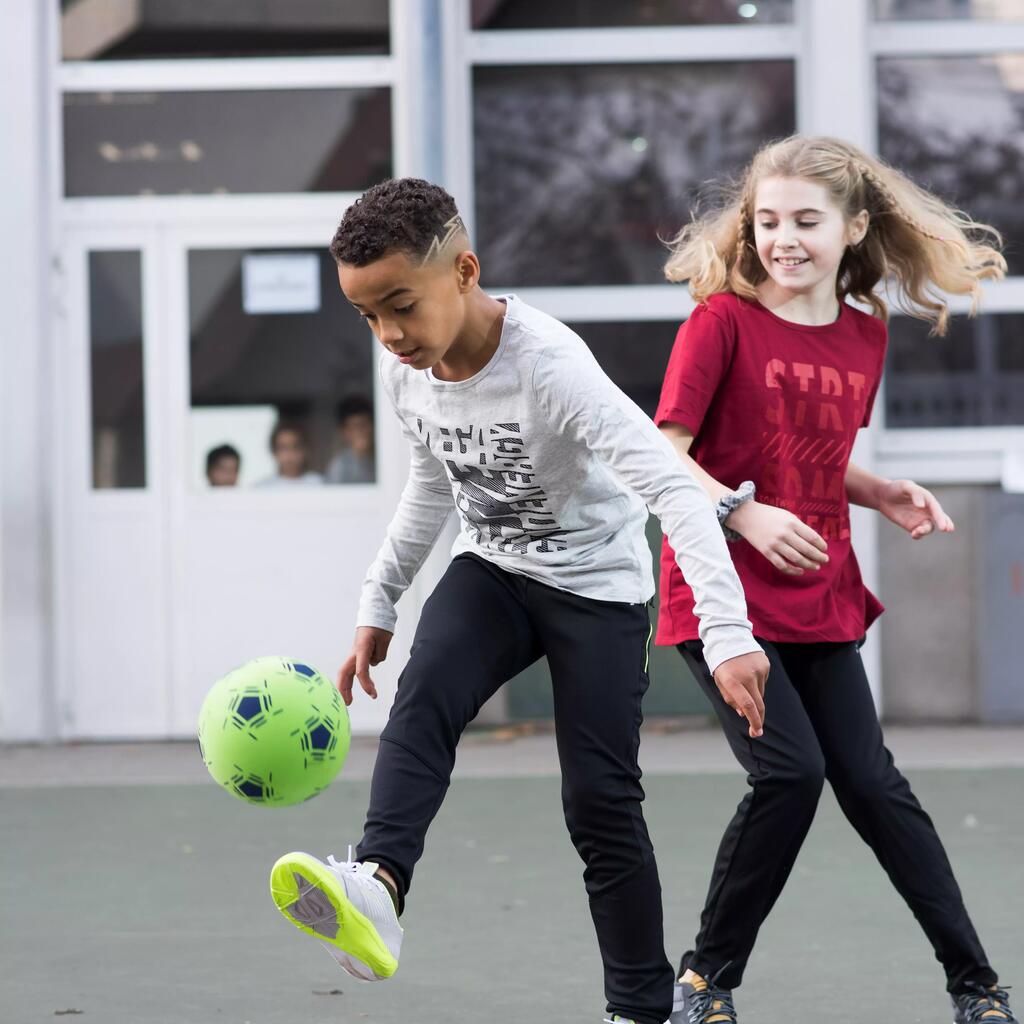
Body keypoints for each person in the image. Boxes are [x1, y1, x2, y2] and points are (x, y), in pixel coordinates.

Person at [267, 177, 770, 1024]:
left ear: (464, 272)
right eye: (367, 316)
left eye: (400, 306)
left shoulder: (550, 368)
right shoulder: (409, 372)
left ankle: (640, 1009)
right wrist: (379, 600)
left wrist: (726, 632)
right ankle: (379, 883)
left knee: (600, 804)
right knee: (425, 697)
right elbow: (433, 480)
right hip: (495, 569)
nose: (388, 335)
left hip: (598, 588)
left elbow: (677, 492)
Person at [652, 135, 1014, 1024]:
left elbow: (807, 456)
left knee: (874, 784)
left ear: (853, 228)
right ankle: (704, 980)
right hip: (721, 592)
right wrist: (741, 511)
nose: (784, 237)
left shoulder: (864, 334)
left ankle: (977, 987)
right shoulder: (720, 321)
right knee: (790, 774)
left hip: (819, 591)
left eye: (806, 221)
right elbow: (662, 457)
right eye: (768, 220)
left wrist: (879, 489)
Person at [254, 420, 323, 487]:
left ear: (306, 450)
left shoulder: (319, 484)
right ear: (274, 452)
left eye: (295, 447)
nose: (289, 454)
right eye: (283, 448)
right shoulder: (263, 488)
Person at [325, 394, 375, 484]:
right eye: (354, 427)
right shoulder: (339, 466)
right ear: (345, 432)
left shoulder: (385, 457)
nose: (360, 432)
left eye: (363, 425)